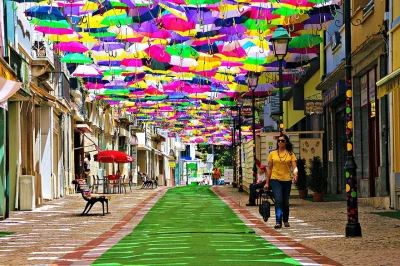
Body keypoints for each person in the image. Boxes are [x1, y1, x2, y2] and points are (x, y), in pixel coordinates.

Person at [264, 134, 298, 229]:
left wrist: (295, 175)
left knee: (285, 201)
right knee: (278, 200)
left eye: (282, 141)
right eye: (279, 141)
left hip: (286, 180)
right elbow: (269, 169)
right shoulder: (273, 154)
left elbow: (294, 167)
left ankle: (285, 220)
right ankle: (278, 221)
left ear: (286, 142)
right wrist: (267, 183)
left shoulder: (290, 154)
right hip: (275, 179)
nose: (280, 142)